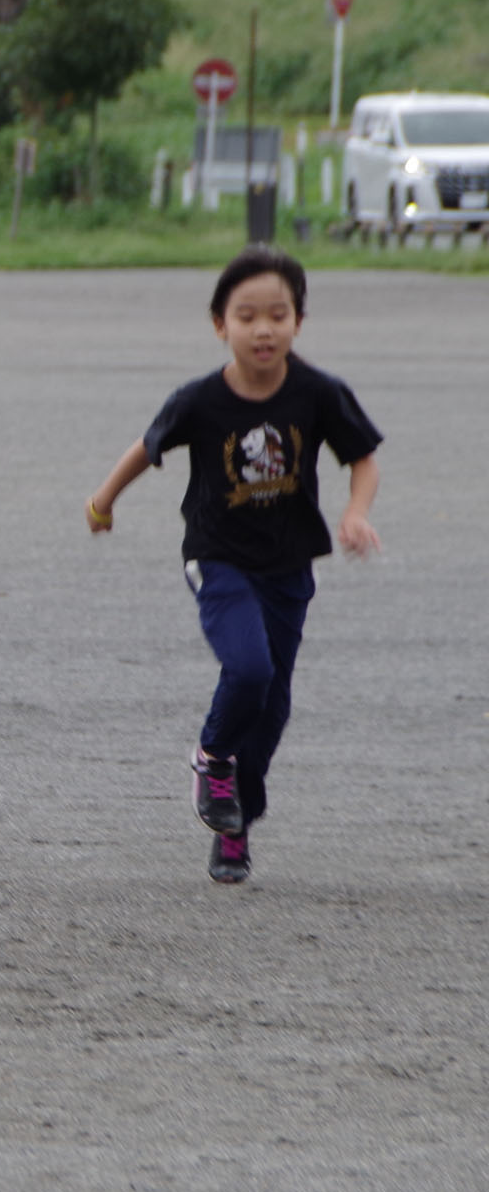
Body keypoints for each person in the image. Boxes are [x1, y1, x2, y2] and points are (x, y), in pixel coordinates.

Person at [85, 246, 383, 884]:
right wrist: (103, 500)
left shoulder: (318, 392)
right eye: (247, 316)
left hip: (289, 565)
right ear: (220, 324)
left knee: (272, 706)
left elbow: (362, 457)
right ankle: (212, 756)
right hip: (217, 557)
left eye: (278, 314)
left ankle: (234, 824)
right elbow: (148, 446)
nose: (264, 328)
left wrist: (356, 512)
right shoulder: (199, 401)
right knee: (247, 668)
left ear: (298, 321)